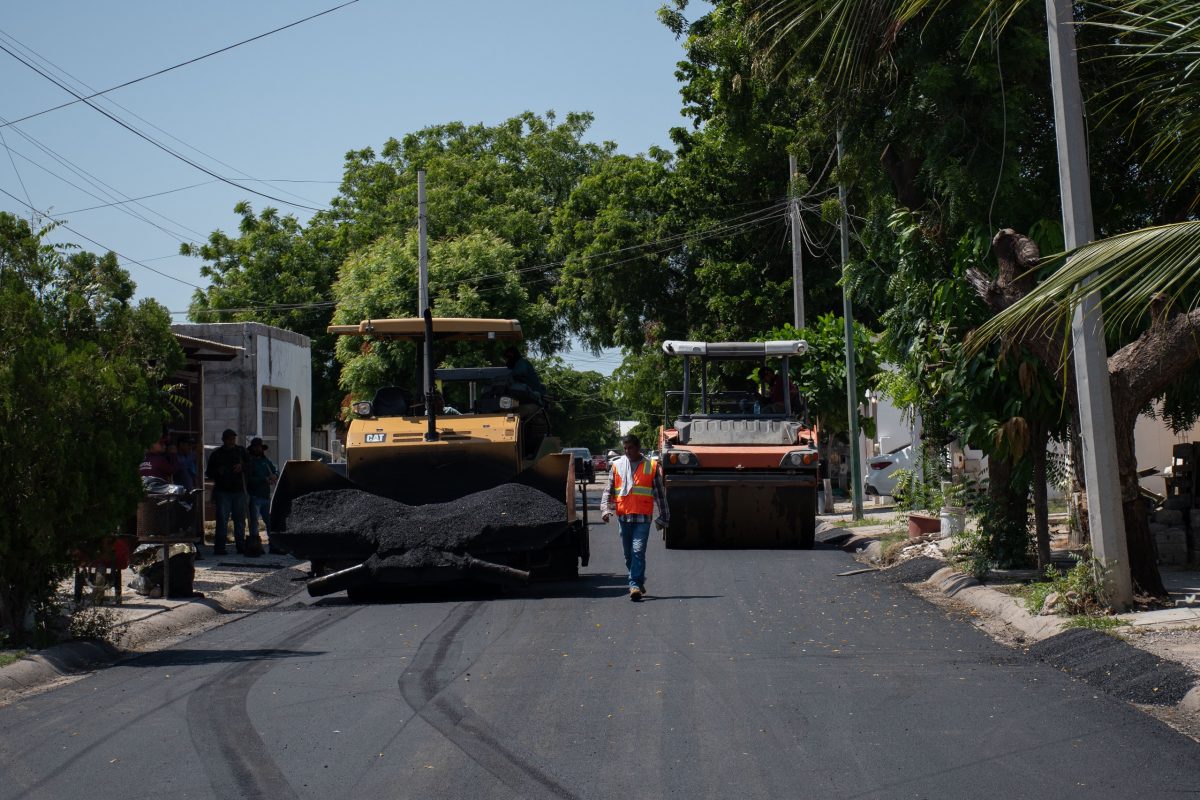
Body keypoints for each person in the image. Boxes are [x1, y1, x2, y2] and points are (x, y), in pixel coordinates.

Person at [600, 433, 670, 601]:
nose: (627, 451)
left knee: (638, 551)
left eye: (630, 447)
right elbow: (608, 491)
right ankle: (637, 579)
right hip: (624, 517)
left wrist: (664, 516)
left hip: (642, 518)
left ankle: (634, 585)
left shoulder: (651, 466)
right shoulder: (617, 466)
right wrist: (604, 509)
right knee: (628, 555)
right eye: (625, 448)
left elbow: (660, 495)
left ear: (638, 448)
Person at [205, 428, 248, 556]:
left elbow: (250, 465)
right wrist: (219, 471)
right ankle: (219, 548)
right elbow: (209, 473)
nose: (231, 441)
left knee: (240, 520)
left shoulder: (241, 451)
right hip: (223, 491)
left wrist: (242, 467)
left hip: (239, 491)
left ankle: (241, 546)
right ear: (223, 440)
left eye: (233, 438)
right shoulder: (217, 454)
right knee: (222, 520)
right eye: (229, 439)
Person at [245, 437, 278, 555]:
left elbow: (275, 471)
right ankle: (255, 546)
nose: (258, 449)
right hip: (254, 496)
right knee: (254, 523)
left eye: (259, 447)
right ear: (252, 448)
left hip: (265, 496)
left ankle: (273, 545)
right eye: (256, 447)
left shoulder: (266, 461)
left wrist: (274, 475)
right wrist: (263, 479)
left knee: (270, 522)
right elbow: (248, 479)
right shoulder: (249, 462)